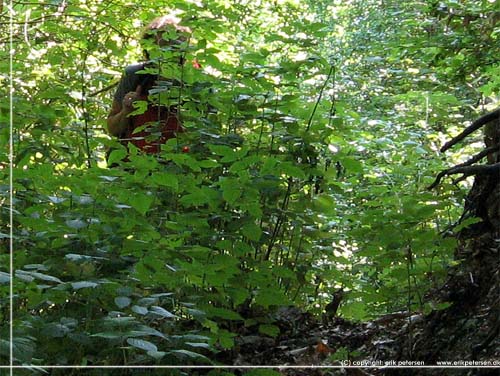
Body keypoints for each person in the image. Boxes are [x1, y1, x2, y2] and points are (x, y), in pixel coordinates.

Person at [107, 15, 192, 156]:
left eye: (171, 45)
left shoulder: (195, 84)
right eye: (159, 46)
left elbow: (207, 136)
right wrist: (126, 110)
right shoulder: (135, 75)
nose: (165, 52)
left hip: (179, 168)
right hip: (134, 166)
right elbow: (113, 128)